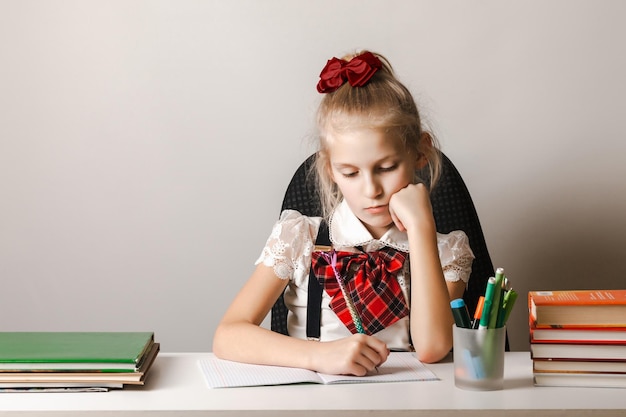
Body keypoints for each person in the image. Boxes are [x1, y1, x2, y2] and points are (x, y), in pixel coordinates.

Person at [213, 50, 474, 376]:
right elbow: (228, 335)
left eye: (387, 167)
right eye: (351, 172)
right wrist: (318, 356)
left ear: (420, 152)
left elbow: (433, 347)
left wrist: (421, 226)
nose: (371, 189)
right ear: (330, 169)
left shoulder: (446, 251)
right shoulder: (300, 237)